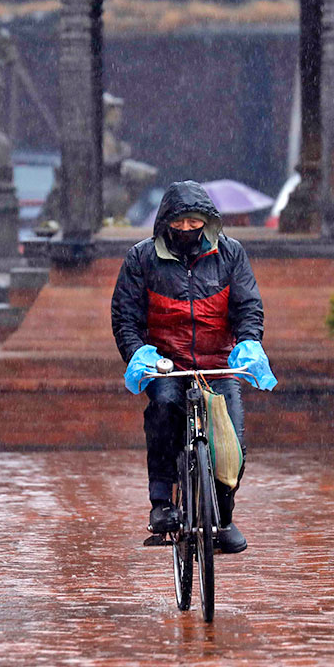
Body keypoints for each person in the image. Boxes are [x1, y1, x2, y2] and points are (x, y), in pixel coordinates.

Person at [111, 180, 276, 554]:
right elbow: (126, 317)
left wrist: (248, 342)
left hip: (218, 364)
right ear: (165, 223)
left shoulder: (231, 255)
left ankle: (224, 518)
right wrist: (140, 354)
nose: (186, 229)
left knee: (231, 446)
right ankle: (162, 503)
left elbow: (248, 306)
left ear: (208, 222)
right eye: (179, 222)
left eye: (194, 222)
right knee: (165, 410)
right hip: (167, 365)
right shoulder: (141, 259)